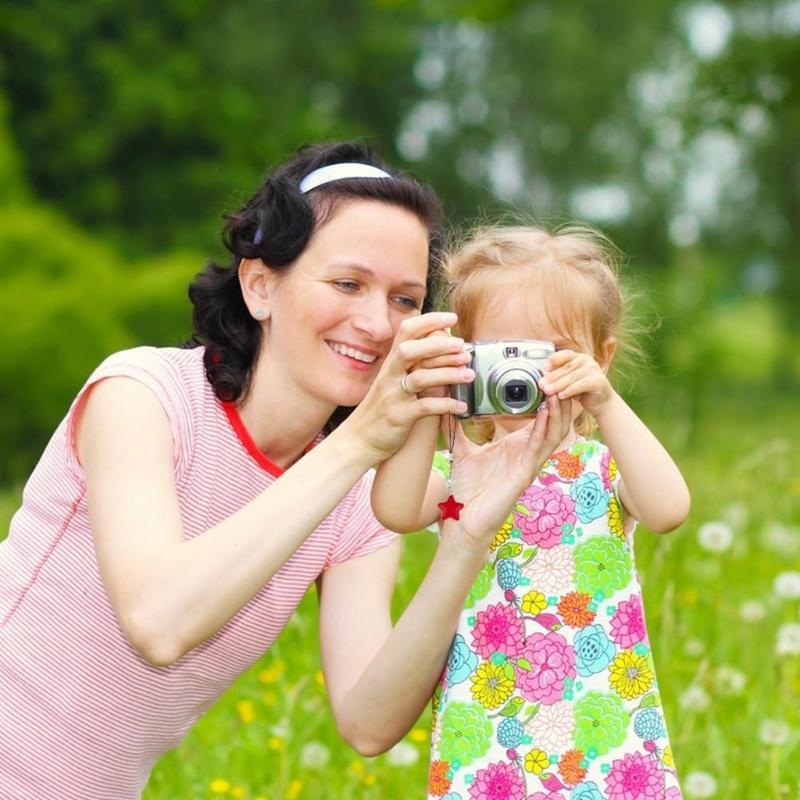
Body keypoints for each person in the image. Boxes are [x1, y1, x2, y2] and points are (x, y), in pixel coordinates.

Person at [0, 143, 570, 800]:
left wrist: (465, 536)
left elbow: (367, 720)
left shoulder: (360, 499)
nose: (376, 323)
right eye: (348, 284)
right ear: (260, 284)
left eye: (405, 299)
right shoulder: (142, 396)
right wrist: (359, 443)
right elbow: (159, 621)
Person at [372, 224, 691, 799]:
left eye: (552, 356)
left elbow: (669, 509)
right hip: (489, 735)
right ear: (466, 357)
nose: (528, 377)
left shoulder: (604, 467)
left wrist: (607, 402)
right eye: (504, 354)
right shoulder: (461, 475)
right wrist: (428, 399)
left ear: (602, 357)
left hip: (604, 734)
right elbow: (394, 509)